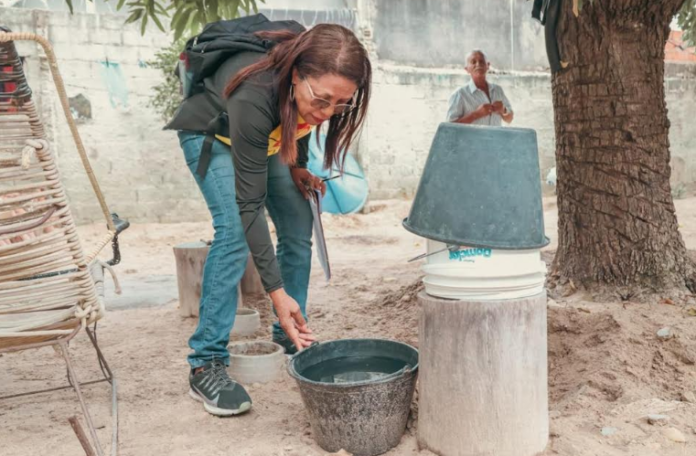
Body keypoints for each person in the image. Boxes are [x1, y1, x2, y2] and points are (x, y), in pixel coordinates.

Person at [166, 22, 372, 416]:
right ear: (296, 75)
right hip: (214, 132)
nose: (328, 113)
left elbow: (301, 120)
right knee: (234, 231)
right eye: (323, 99)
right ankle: (206, 361)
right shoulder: (254, 93)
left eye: (341, 104)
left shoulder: (309, 85)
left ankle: (291, 336)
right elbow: (250, 206)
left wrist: (299, 165)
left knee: (297, 222)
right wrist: (276, 293)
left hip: (269, 135)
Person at [446, 50, 514, 126]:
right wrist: (476, 114)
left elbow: (510, 119)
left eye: (481, 61)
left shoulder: (497, 90)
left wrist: (503, 110)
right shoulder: (460, 94)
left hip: (496, 134)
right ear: (467, 69)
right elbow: (450, 127)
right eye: (473, 62)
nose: (478, 64)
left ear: (487, 66)